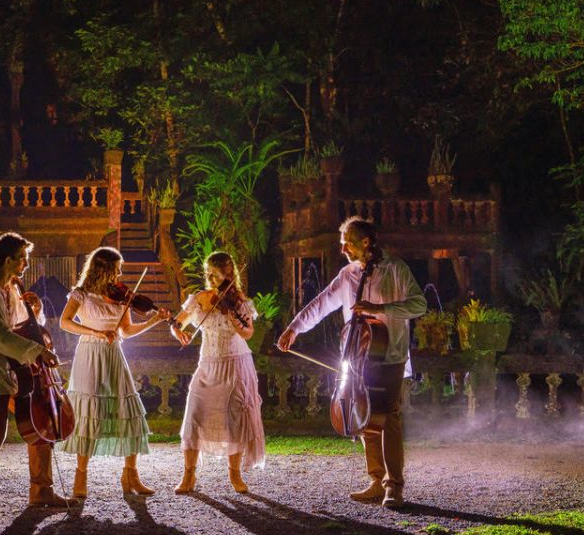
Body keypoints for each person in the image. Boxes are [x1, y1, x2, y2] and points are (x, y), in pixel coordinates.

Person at [276, 216, 426, 509]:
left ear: (366, 242)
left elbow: (419, 304)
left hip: (390, 354)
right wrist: (294, 328)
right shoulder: (347, 275)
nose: (343, 249)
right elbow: (321, 303)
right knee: (366, 418)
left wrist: (381, 308)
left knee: (389, 417)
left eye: (347, 243)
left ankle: (394, 486)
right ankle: (375, 479)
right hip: (359, 357)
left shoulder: (396, 269)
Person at [0, 232, 68, 518]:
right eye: (23, 259)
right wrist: (39, 353)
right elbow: (2, 339)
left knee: (41, 422)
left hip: (16, 369)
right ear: (8, 260)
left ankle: (41, 491)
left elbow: (26, 327)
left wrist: (37, 311)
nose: (26, 265)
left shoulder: (11, 289)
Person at [56, 246, 170, 497]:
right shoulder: (81, 294)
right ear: (103, 269)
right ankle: (81, 476)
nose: (119, 274)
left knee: (128, 411)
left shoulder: (121, 297)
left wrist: (154, 320)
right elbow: (65, 323)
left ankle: (131, 474)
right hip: (89, 353)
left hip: (114, 353)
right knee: (88, 413)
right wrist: (96, 332)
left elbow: (126, 331)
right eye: (116, 269)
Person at [171, 251, 266, 494]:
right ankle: (188, 476)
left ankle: (235, 475)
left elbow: (247, 333)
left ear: (228, 274)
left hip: (235, 363)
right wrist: (179, 332)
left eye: (216, 275)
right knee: (193, 416)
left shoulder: (239, 301)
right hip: (208, 364)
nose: (211, 279)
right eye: (209, 274)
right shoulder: (200, 298)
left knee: (233, 421)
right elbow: (177, 322)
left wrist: (234, 319)